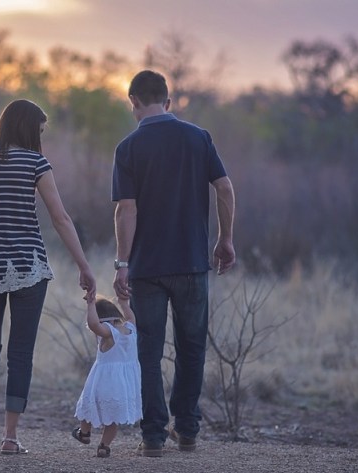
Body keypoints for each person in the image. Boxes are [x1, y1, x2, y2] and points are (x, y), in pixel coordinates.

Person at [0, 98, 96, 455]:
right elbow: (60, 218)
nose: (41, 137)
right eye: (40, 130)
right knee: (21, 354)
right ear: (30, 128)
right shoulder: (35, 163)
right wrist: (84, 266)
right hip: (28, 267)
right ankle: (10, 438)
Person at [111, 70, 236, 457]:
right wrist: (225, 238)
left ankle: (152, 436)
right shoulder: (198, 138)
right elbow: (225, 188)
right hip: (192, 263)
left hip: (147, 268)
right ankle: (187, 430)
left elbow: (125, 210)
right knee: (192, 347)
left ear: (133, 101)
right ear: (168, 101)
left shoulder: (128, 147)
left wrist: (122, 262)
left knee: (148, 351)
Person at [71, 294, 141, 458]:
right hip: (124, 385)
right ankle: (104, 446)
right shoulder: (131, 328)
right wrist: (124, 303)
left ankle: (85, 433)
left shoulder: (108, 333)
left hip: (104, 381)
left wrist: (90, 305)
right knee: (113, 418)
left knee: (88, 405)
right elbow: (130, 316)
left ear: (104, 321)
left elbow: (94, 324)